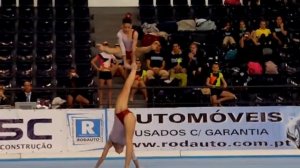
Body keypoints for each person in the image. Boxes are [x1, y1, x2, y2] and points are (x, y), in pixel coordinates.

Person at [94, 63, 140, 168]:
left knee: (126, 88)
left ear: (115, 148)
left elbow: (103, 156)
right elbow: (133, 156)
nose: (120, 152)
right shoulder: (122, 143)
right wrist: (138, 166)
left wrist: (95, 167)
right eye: (121, 151)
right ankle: (126, 167)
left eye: (119, 151)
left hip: (120, 111)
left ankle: (134, 70)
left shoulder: (111, 141)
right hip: (127, 116)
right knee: (129, 142)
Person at [91, 42, 116, 108]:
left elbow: (116, 63)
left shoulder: (111, 55)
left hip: (108, 72)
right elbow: (92, 61)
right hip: (102, 72)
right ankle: (101, 104)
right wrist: (98, 69)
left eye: (106, 45)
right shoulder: (100, 54)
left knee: (110, 89)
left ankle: (110, 104)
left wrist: (111, 68)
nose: (105, 46)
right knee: (101, 89)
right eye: (104, 45)